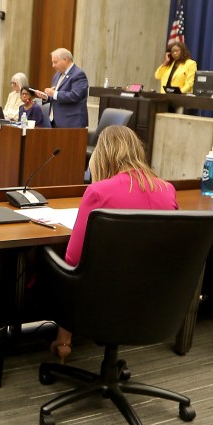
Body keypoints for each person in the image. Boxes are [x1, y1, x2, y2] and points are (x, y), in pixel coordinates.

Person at [53, 125, 177, 360]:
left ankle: (63, 340)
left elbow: (73, 258)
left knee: (54, 263)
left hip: (102, 293)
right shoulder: (167, 189)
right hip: (152, 292)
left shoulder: (98, 191)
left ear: (103, 154)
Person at [43, 48, 89, 128]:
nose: (53, 65)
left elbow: (75, 95)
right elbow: (55, 96)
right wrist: (46, 97)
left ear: (65, 60)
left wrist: (54, 93)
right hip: (55, 121)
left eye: (55, 62)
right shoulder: (57, 75)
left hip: (71, 123)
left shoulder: (78, 74)